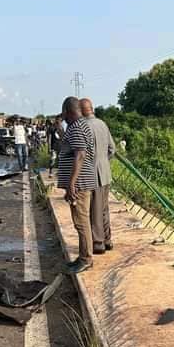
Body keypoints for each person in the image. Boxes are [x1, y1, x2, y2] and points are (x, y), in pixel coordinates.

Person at [57, 96, 96, 274]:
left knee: (81, 222)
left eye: (64, 112)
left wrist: (71, 184)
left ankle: (86, 259)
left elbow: (80, 156)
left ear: (67, 111)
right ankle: (82, 257)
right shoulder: (79, 126)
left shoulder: (78, 127)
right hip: (79, 183)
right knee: (80, 221)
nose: (63, 116)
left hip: (79, 184)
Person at [80, 98, 116, 254]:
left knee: (94, 210)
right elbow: (112, 149)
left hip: (92, 174)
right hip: (105, 173)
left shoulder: (83, 127)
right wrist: (103, 162)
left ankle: (98, 242)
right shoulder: (102, 124)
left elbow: (80, 155)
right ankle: (107, 240)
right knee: (103, 209)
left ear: (81, 111)